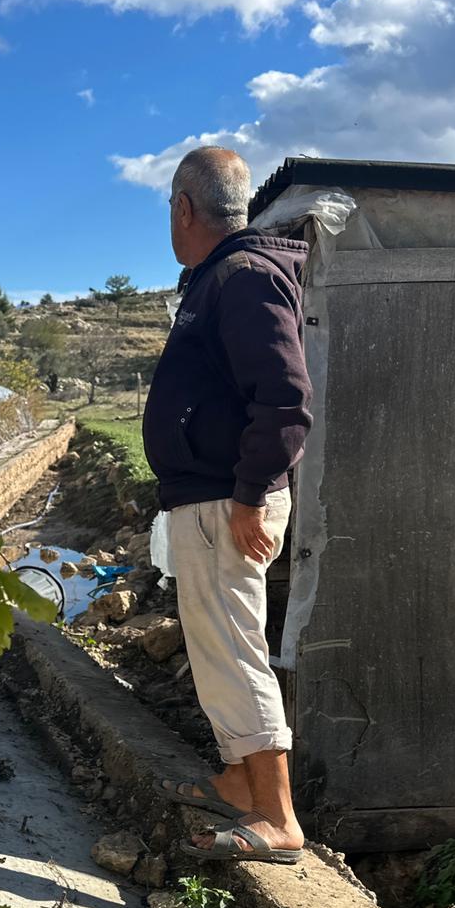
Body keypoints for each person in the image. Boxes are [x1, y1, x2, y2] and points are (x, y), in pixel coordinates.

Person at [142, 147, 312, 864]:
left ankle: (277, 817)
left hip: (225, 501)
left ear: (185, 207)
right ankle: (241, 786)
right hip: (209, 497)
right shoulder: (219, 277)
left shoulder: (241, 278)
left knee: (237, 649)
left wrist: (248, 496)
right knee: (217, 648)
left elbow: (284, 401)